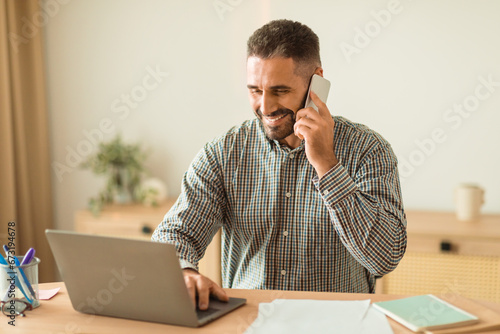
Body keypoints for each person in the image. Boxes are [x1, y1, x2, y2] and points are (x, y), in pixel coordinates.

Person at [152, 19, 407, 310]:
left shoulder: (368, 150)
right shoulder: (223, 153)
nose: (266, 106)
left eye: (280, 91)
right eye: (255, 91)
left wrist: (327, 164)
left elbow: (385, 257)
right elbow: (175, 234)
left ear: (316, 81)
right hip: (250, 323)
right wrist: (183, 271)